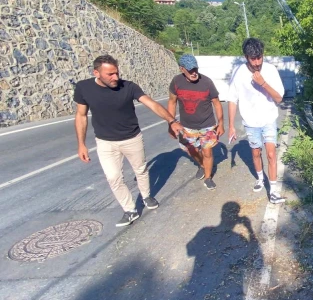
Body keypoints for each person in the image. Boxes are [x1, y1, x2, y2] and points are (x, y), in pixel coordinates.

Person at [74, 55, 184, 227]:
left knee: (140, 169)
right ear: (96, 73)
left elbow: (152, 104)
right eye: (110, 74)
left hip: (132, 138)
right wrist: (81, 144)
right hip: (105, 142)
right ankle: (129, 209)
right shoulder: (83, 88)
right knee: (113, 177)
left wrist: (172, 121)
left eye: (116, 73)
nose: (115, 77)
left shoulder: (129, 87)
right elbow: (81, 116)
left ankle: (146, 196)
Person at [227, 38, 286, 204]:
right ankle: (260, 178)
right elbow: (232, 99)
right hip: (250, 121)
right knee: (255, 152)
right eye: (253, 59)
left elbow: (279, 98)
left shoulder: (271, 70)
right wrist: (231, 125)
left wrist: (263, 83)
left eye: (259, 57)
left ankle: (273, 191)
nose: (257, 62)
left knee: (271, 153)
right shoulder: (238, 72)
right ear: (246, 57)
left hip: (268, 118)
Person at [167, 54, 224, 190]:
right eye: (190, 70)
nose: (194, 73)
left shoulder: (207, 82)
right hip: (187, 127)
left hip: (207, 125)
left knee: (207, 152)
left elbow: (216, 103)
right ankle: (203, 165)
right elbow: (172, 102)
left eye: (195, 69)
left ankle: (208, 177)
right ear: (182, 69)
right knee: (191, 151)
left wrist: (221, 123)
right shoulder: (176, 82)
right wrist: (171, 123)